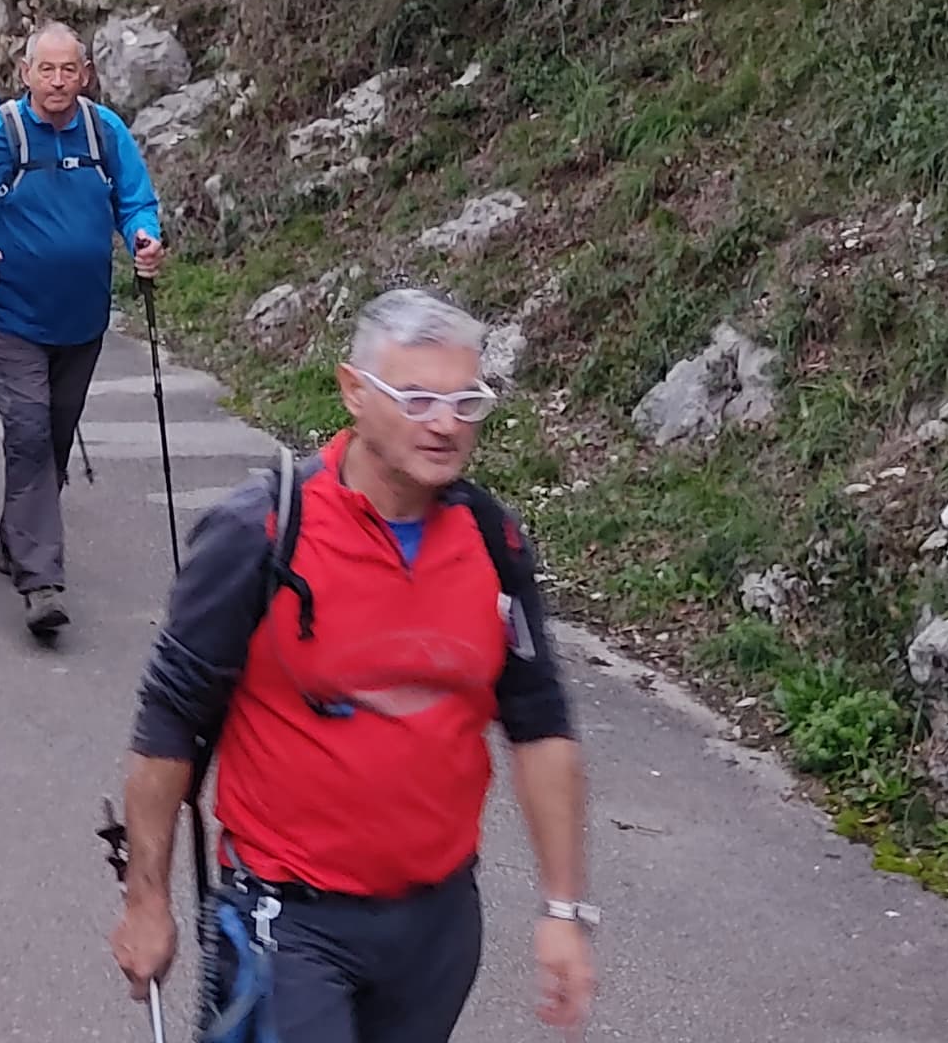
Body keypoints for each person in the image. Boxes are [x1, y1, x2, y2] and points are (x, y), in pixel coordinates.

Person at [110, 288, 596, 1042]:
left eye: (466, 401)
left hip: (437, 926)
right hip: (288, 924)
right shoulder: (261, 531)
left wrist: (564, 911)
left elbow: (541, 726)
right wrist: (147, 901)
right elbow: (168, 725)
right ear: (353, 393)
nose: (445, 423)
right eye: (417, 398)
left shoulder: (492, 541)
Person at [0, 22, 162, 637]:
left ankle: (17, 538)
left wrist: (145, 236)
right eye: (46, 70)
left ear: (84, 73)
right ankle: (42, 582)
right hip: (13, 321)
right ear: (26, 72)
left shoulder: (103, 131)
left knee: (54, 440)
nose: (57, 82)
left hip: (83, 323)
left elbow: (137, 201)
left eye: (69, 70)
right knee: (30, 435)